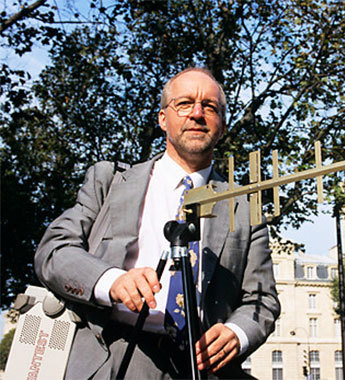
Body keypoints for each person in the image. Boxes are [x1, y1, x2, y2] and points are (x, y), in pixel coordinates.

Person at [35, 67, 280, 379]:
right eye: (184, 103)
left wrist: (237, 332)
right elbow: (54, 252)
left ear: (222, 123)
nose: (197, 114)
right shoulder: (109, 181)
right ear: (163, 118)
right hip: (113, 356)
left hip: (200, 367)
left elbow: (262, 299)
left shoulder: (244, 207)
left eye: (209, 107)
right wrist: (111, 281)